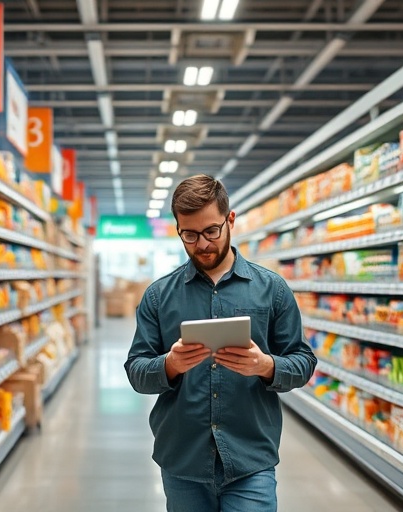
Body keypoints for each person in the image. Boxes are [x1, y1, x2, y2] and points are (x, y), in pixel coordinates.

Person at [125, 174, 317, 512]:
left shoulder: (272, 289)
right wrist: (169, 365)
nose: (202, 244)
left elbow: (302, 361)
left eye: (211, 231)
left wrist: (267, 366)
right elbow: (136, 370)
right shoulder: (158, 296)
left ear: (230, 220)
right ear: (178, 230)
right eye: (190, 235)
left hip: (249, 461)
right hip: (183, 460)